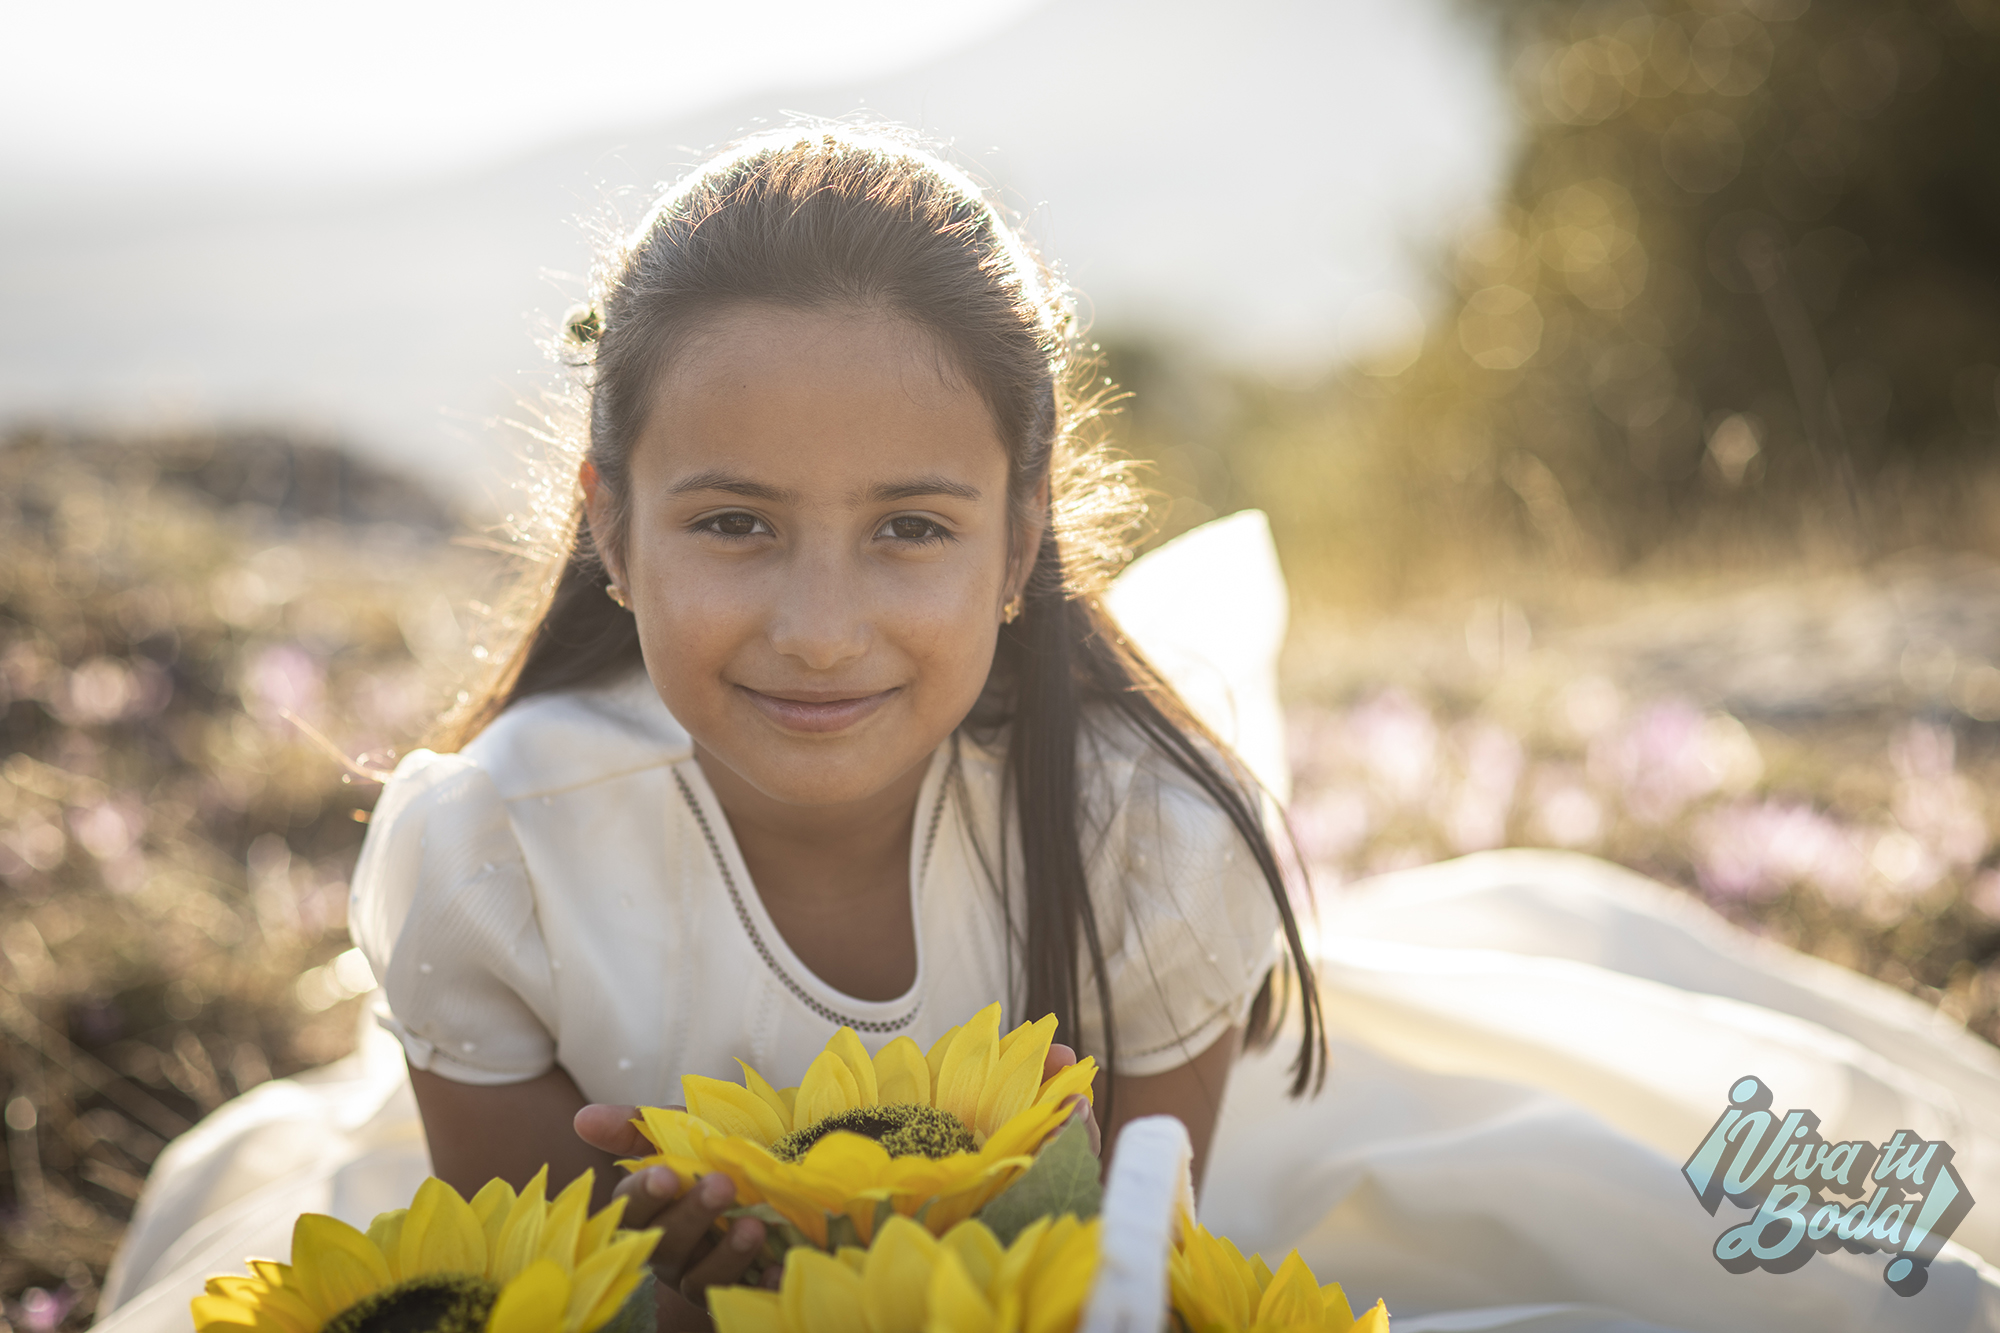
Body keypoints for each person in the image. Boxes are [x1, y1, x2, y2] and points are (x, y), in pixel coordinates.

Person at [97, 125, 2000, 1333]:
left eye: (910, 529)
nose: (818, 624)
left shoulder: (1142, 839)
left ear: (1020, 538)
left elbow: (1123, 1264)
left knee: (1747, 1262)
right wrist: (696, 1266)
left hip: (1169, 1246)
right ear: (610, 522)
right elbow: (542, 1281)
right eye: (733, 521)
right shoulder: (497, 853)